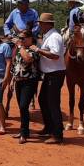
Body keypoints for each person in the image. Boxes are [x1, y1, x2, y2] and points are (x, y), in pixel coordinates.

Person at [33, 13, 66, 144]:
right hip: (50, 73)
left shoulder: (54, 37)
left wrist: (38, 50)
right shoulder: (49, 36)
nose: (39, 25)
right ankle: (49, 128)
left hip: (55, 74)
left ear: (47, 24)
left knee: (53, 104)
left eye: (41, 23)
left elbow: (55, 55)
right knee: (43, 99)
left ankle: (57, 134)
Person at [10, 29, 41, 144]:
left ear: (30, 38)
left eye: (23, 38)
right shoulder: (20, 49)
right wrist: (12, 80)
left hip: (29, 82)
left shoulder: (33, 49)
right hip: (19, 81)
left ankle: (24, 133)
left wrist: (19, 46)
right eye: (19, 38)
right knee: (22, 108)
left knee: (23, 106)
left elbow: (28, 59)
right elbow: (16, 66)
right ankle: (24, 131)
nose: (20, 40)